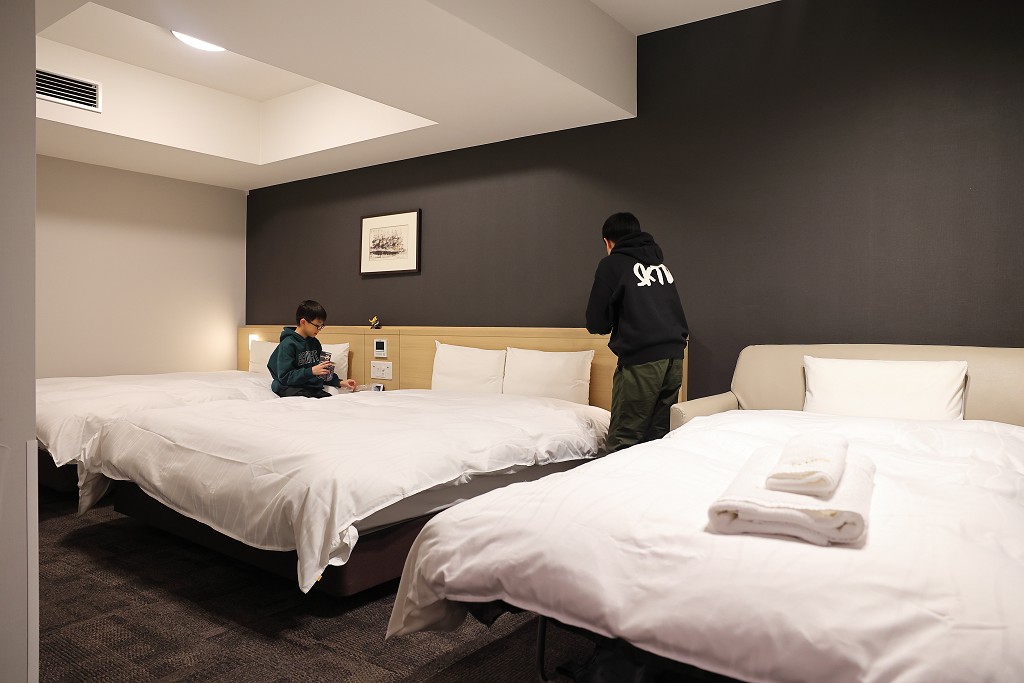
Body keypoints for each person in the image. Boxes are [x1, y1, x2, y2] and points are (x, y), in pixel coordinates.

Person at [585, 212, 689, 452]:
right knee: (659, 435)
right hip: (674, 357)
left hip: (643, 359)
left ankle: (614, 478)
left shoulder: (612, 264)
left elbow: (596, 322)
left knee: (624, 437)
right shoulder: (659, 265)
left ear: (607, 241)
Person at [268, 300, 357, 398]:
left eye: (321, 326)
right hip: (290, 387)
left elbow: (321, 371)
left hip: (311, 387)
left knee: (331, 400)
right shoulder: (288, 344)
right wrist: (311, 371)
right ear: (303, 322)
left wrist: (340, 382)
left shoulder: (315, 343)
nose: (319, 330)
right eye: (317, 326)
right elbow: (285, 377)